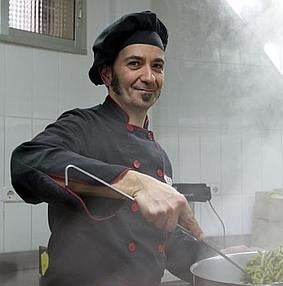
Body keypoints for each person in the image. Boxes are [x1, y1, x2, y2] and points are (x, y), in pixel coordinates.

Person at [10, 11, 205, 286]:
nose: (149, 76)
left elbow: (162, 237)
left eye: (158, 66)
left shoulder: (159, 155)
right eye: (135, 64)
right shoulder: (82, 125)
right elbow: (27, 163)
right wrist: (134, 183)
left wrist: (214, 261)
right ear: (107, 74)